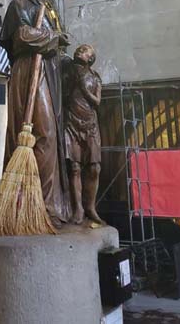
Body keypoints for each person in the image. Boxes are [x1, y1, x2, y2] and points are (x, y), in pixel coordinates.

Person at [0, 0, 71, 228]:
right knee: (43, 133)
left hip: (47, 72)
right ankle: (31, 203)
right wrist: (55, 37)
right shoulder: (20, 4)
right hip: (30, 70)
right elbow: (23, 36)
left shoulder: (46, 9)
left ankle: (47, 204)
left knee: (50, 136)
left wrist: (55, 36)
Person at [63, 44, 103, 224]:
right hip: (72, 121)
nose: (80, 50)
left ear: (91, 58)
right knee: (75, 167)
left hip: (90, 124)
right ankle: (78, 208)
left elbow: (97, 101)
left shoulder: (95, 77)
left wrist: (85, 89)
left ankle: (91, 207)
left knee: (94, 168)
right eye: (79, 48)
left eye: (85, 49)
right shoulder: (68, 72)